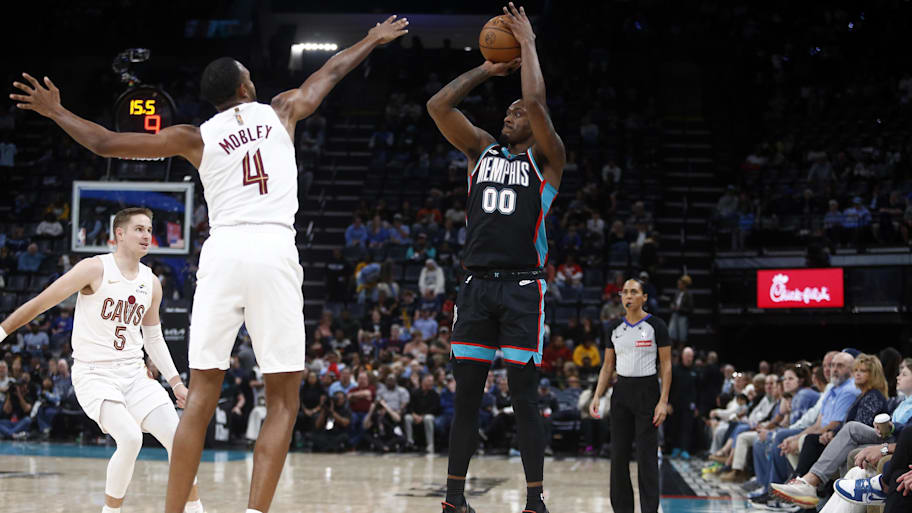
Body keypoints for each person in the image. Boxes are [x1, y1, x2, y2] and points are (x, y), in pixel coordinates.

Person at [9, 16, 409, 513]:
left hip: (222, 254)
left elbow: (106, 144)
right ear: (247, 86)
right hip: (273, 249)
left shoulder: (195, 136)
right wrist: (371, 38)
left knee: (199, 398)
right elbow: (328, 73)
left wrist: (56, 111)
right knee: (283, 400)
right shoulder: (282, 109)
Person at [426, 4, 566, 513]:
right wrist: (486, 69)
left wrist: (527, 44)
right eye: (506, 110)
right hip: (476, 287)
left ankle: (534, 500)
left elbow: (534, 98)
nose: (510, 113)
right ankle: (454, 499)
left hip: (524, 289)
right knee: (467, 399)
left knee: (524, 398)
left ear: (538, 123)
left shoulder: (548, 159)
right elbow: (438, 107)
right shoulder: (480, 151)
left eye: (517, 112)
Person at [0, 208, 202, 513]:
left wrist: (175, 382)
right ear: (119, 233)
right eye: (139, 229)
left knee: (180, 439)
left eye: (149, 229)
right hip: (94, 375)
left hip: (134, 374)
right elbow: (41, 303)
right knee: (131, 438)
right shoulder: (94, 269)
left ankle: (196, 510)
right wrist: (2, 331)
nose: (147, 235)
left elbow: (154, 338)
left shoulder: (152, 282)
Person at [589, 278, 671, 513]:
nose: (628, 296)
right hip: (621, 392)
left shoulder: (656, 326)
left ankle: (649, 510)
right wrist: (597, 395)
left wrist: (663, 402)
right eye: (625, 292)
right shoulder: (614, 328)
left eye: (634, 292)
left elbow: (666, 366)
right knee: (618, 456)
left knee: (646, 458)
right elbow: (607, 366)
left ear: (644, 297)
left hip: (648, 392)